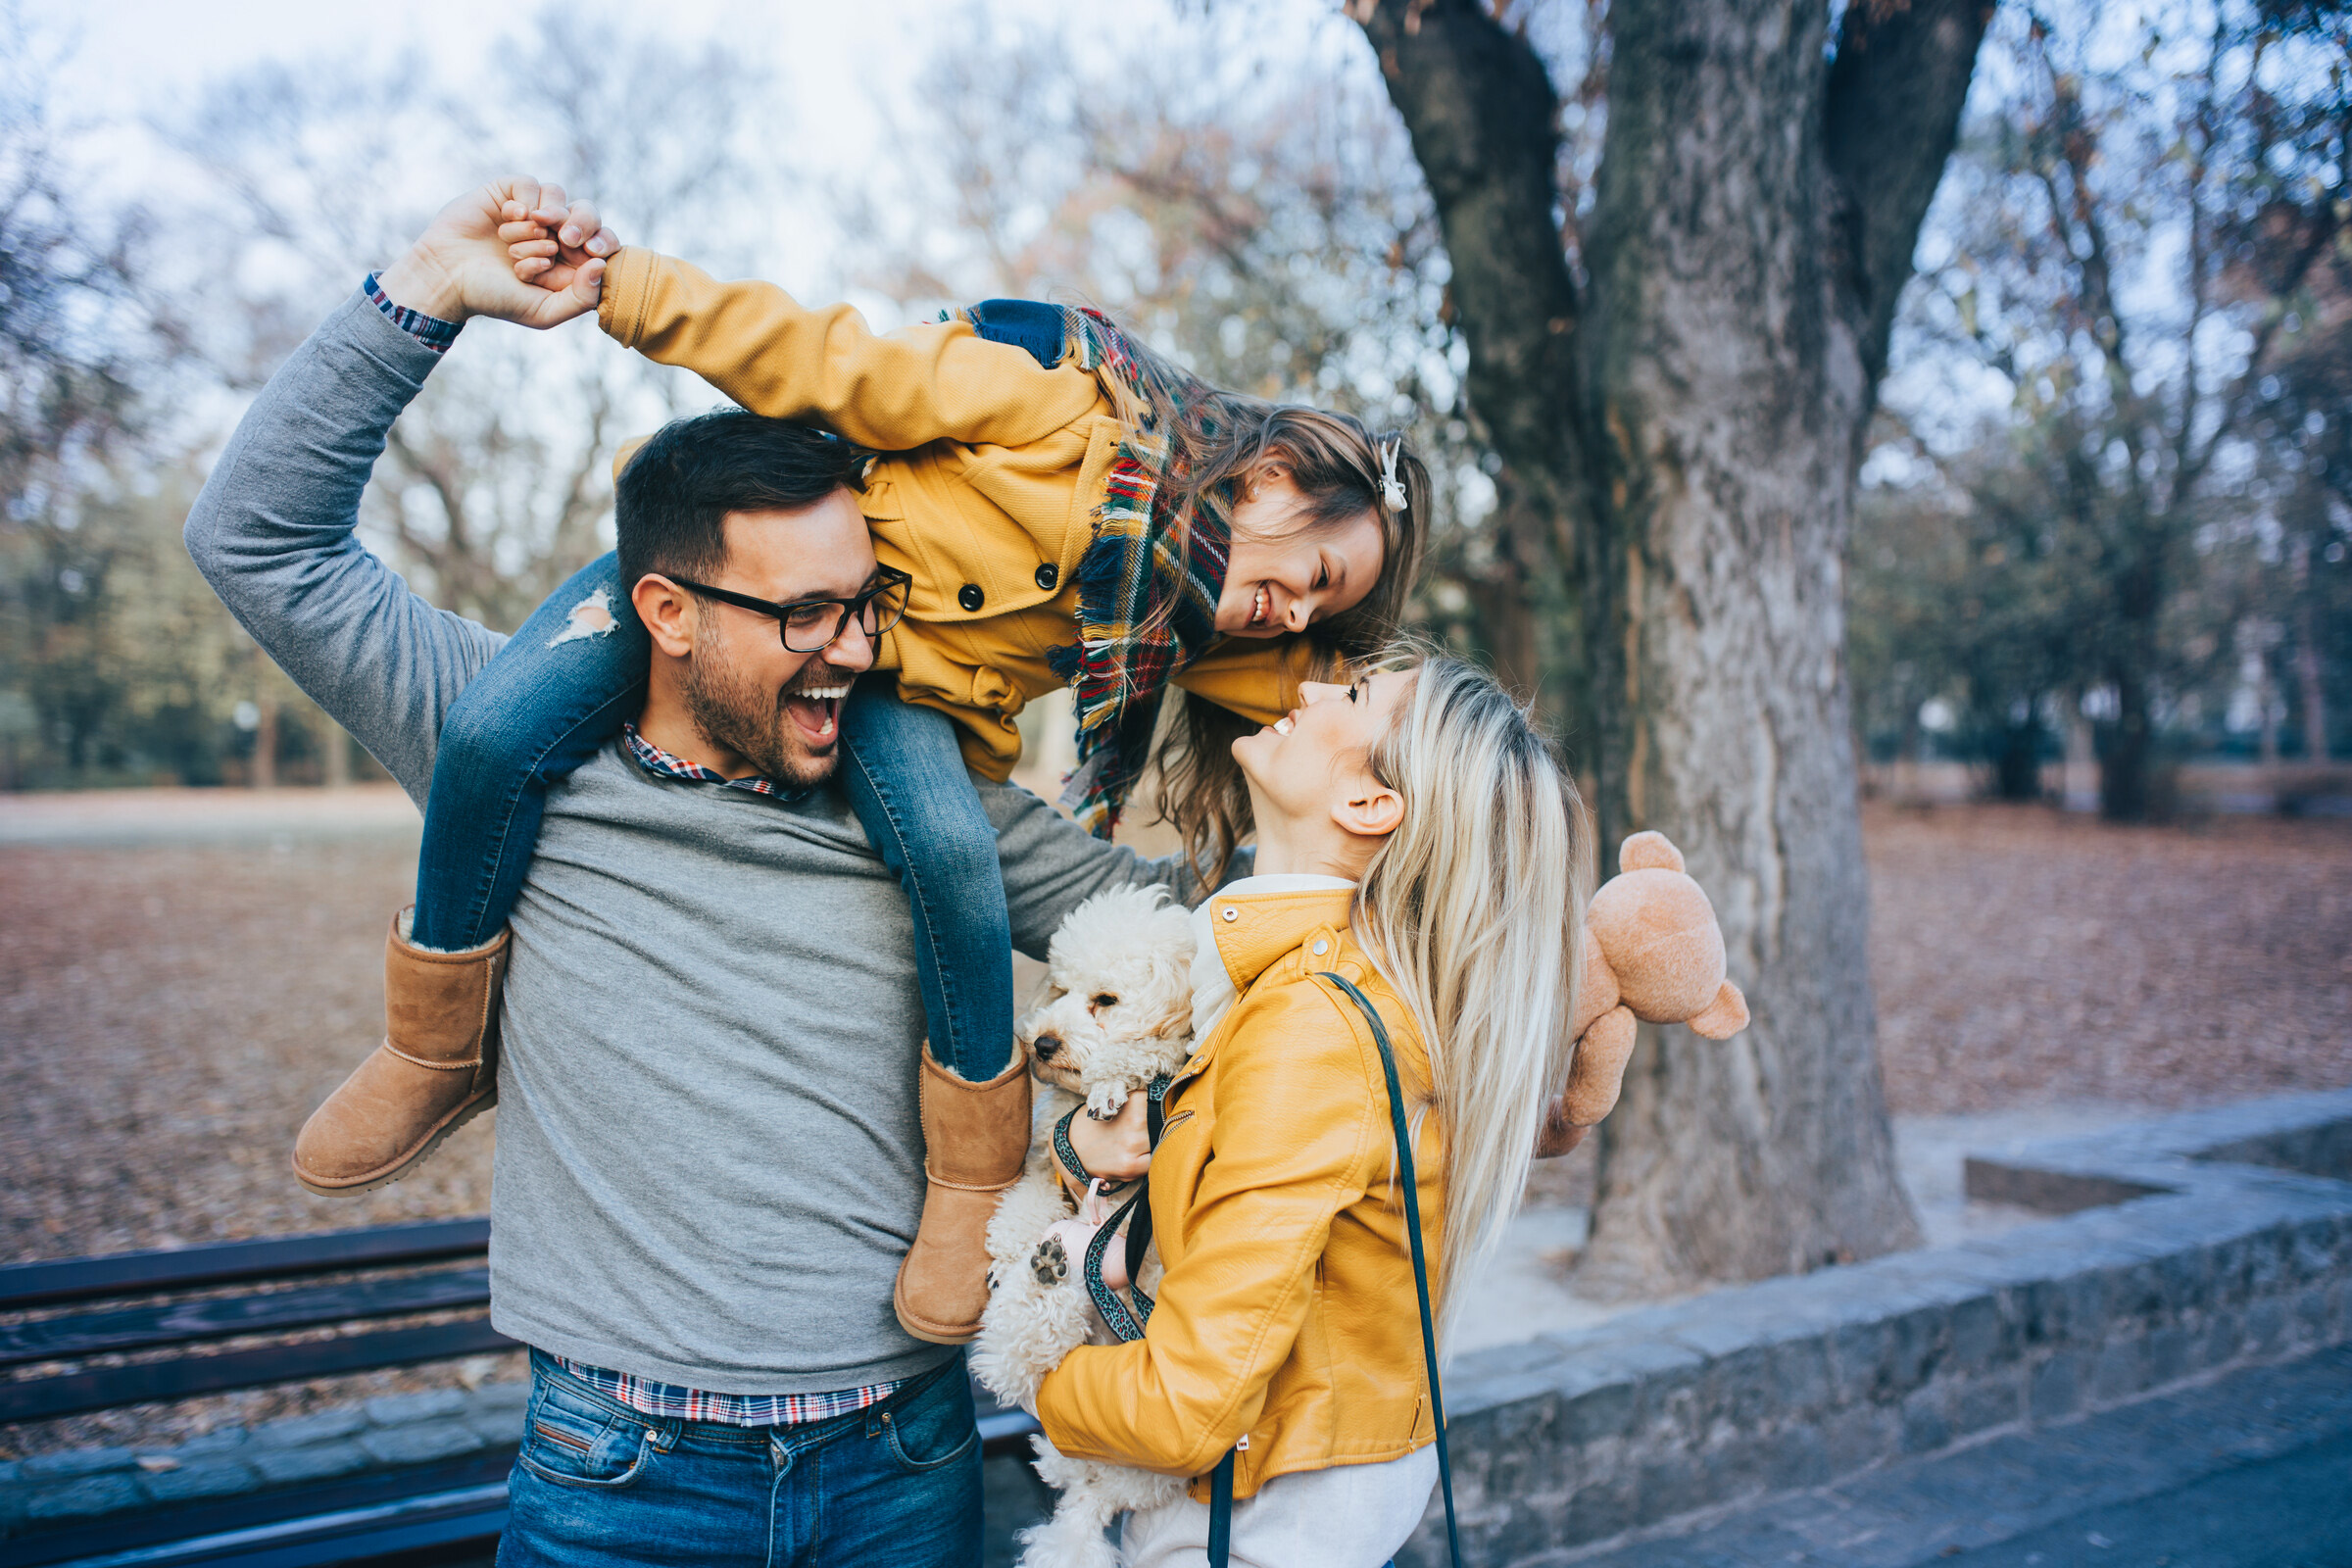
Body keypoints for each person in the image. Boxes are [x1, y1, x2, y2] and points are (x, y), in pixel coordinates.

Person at [184, 176, 1230, 1568]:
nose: (856, 651)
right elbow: (256, 538)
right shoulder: (501, 739)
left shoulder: (932, 804)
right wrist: (425, 292)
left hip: (905, 1467)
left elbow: (1198, 926)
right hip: (621, 1481)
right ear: (666, 613)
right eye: (806, 613)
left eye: (865, 604)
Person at [292, 190, 1434, 1348]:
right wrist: (630, 291)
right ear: (1276, 476)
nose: (1294, 614)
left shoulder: (1197, 625)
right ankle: (432, 1045)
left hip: (893, 700)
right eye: (1315, 574)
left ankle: (970, 1180)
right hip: (778, 588)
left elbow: (1366, 726)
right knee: (491, 732)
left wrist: (1484, 806)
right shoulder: (1056, 415)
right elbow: (831, 363)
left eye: (1322, 610)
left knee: (950, 855)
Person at [1034, 651, 1593, 1567]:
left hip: (1248, 1526)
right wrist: (1087, 1147)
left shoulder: (1310, 1021)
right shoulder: (1323, 985)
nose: (1313, 689)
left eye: (1357, 696)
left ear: (1371, 804)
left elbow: (1184, 1408)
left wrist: (1035, 1368)